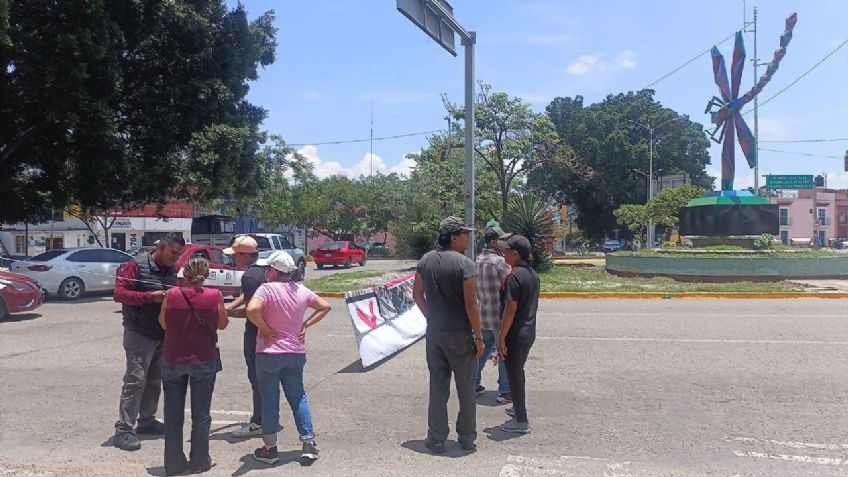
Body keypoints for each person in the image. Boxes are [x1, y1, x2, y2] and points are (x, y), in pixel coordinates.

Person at [246, 251, 332, 464]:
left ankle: (270, 448)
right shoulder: (301, 290)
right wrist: (306, 324)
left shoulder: (266, 288)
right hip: (295, 351)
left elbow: (252, 309)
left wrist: (264, 328)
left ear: (273, 271)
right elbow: (325, 306)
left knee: (270, 400)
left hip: (268, 353)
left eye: (269, 269)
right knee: (298, 396)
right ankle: (308, 442)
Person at [412, 216, 485, 454]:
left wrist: (431, 317)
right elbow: (471, 305)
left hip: (435, 334)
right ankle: (466, 436)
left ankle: (436, 438)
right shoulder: (464, 264)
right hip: (460, 334)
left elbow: (417, 296)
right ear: (454, 237)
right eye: (466, 234)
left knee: (438, 388)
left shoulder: (426, 260)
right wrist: (478, 336)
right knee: (466, 388)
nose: (469, 237)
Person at [112, 234, 186, 451]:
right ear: (161, 247)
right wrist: (150, 297)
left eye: (179, 255)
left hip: (162, 333)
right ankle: (124, 429)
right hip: (139, 332)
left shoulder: (172, 270)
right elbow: (119, 294)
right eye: (173, 253)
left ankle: (147, 421)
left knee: (154, 380)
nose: (176, 259)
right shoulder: (134, 266)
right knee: (136, 379)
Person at [158, 257, 228, 475]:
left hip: (173, 358)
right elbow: (223, 324)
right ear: (206, 275)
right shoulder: (215, 295)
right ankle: (199, 460)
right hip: (203, 358)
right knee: (201, 414)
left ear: (185, 275)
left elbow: (163, 322)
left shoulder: (171, 294)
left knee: (172, 413)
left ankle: (174, 463)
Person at [222, 236, 272, 438]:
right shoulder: (264, 270)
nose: (233, 259)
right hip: (272, 329)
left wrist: (226, 313)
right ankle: (268, 416)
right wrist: (231, 305)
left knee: (256, 377)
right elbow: (249, 296)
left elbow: (252, 311)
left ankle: (259, 421)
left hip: (256, 331)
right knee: (267, 376)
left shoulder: (250, 277)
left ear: (244, 255)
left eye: (235, 255)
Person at [497, 235, 541, 434]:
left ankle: (521, 421)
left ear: (515, 254)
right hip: (529, 332)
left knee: (515, 375)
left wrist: (501, 338)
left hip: (515, 335)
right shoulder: (533, 275)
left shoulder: (513, 277)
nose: (503, 254)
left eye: (506, 251)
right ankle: (517, 408)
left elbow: (510, 311)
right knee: (517, 372)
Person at [474, 222, 512, 403]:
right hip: (499, 316)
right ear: (494, 242)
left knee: (482, 351)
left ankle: (472, 384)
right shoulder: (500, 263)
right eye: (503, 239)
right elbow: (513, 285)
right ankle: (504, 391)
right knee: (504, 351)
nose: (506, 242)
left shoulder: (477, 260)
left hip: (483, 314)